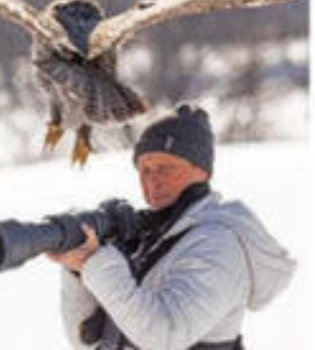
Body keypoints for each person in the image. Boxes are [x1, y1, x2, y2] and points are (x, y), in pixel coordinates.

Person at [51, 104, 296, 349]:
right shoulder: (153, 238)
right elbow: (88, 340)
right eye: (145, 169)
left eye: (165, 168)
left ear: (201, 170)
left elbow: (165, 335)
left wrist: (98, 264)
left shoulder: (219, 244)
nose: (153, 180)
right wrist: (79, 273)